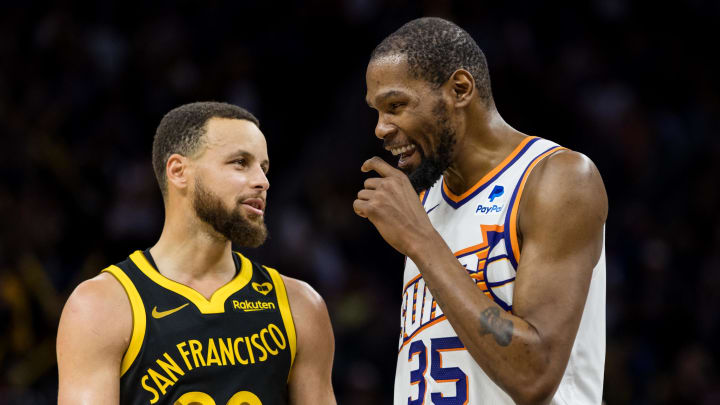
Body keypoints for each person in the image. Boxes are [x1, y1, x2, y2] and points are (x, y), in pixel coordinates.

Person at [355, 18, 607, 405]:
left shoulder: (558, 179)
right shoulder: (425, 203)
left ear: (460, 89)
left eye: (396, 105)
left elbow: (533, 376)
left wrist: (421, 240)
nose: (380, 128)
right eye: (377, 111)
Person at [57, 102, 336, 405]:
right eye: (240, 163)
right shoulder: (101, 307)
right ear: (178, 171)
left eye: (264, 167)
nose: (262, 181)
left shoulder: (301, 306)